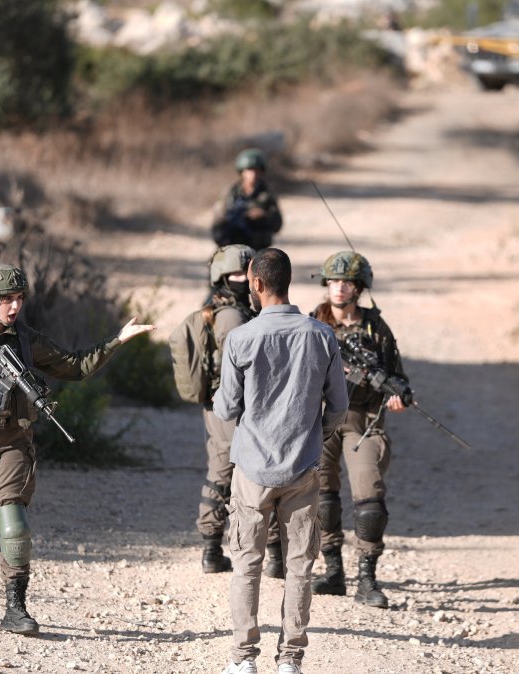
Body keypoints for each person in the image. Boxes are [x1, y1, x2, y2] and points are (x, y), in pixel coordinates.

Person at [0, 264, 154, 635]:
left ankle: (16, 608)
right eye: (7, 300)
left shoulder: (25, 339)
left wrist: (117, 340)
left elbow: (75, 366)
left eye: (19, 299)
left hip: (15, 437)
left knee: (14, 523)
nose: (15, 307)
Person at [213, 248, 348, 674]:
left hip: (253, 470)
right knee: (300, 567)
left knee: (246, 565)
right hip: (304, 468)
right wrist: (315, 436)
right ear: (289, 282)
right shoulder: (321, 335)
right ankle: (290, 660)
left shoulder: (241, 338)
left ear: (255, 283)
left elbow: (227, 408)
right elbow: (339, 407)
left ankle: (243, 659)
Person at [308, 251, 408, 609]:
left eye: (346, 281)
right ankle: (333, 570)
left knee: (369, 499)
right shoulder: (313, 323)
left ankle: (367, 578)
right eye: (333, 281)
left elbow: (397, 376)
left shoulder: (375, 328)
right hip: (320, 421)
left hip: (363, 421)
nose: (339, 288)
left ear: (359, 287)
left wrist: (396, 394)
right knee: (322, 496)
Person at [195, 244, 256, 574]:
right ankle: (211, 546)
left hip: (230, 402)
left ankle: (216, 547)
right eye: (235, 275)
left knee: (225, 467)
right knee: (224, 470)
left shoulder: (236, 308)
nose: (242, 280)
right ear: (221, 277)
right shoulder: (230, 315)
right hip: (228, 404)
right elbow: (237, 366)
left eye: (246, 274)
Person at [211, 148, 283, 250]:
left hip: (258, 247)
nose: (253, 174)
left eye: (256, 170)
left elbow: (277, 224)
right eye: (249, 170)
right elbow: (218, 221)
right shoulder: (230, 193)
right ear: (242, 172)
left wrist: (264, 215)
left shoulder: (267, 194)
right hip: (232, 246)